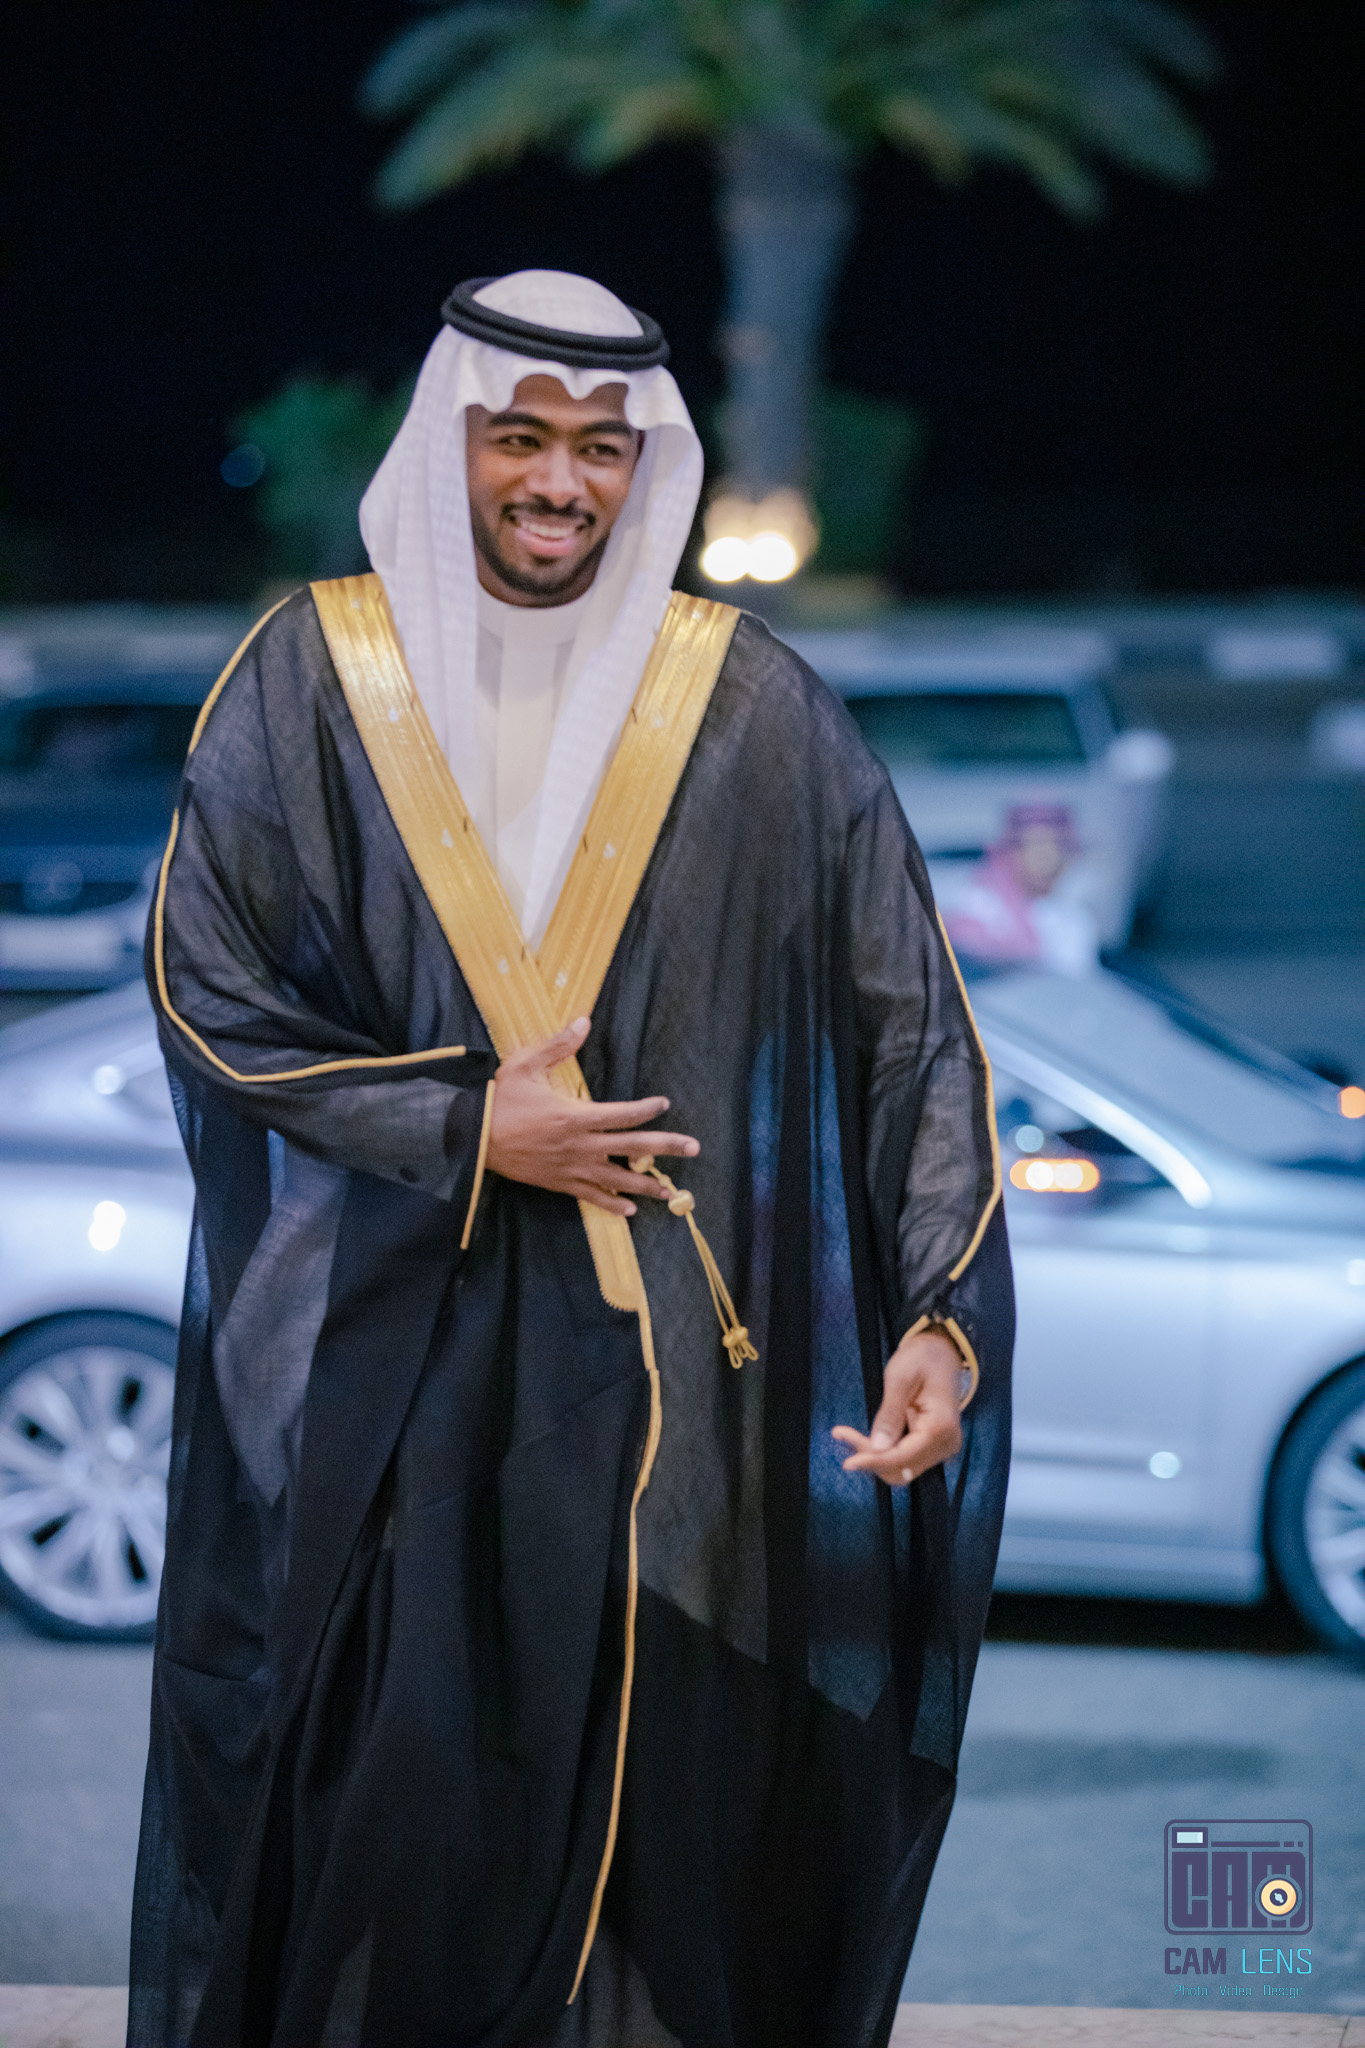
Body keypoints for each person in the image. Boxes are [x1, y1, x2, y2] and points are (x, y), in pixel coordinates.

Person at [129, 271, 1013, 2048]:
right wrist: (472, 1126)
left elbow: (907, 1022)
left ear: (646, 467)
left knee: (658, 1858)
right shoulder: (313, 677)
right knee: (395, 1831)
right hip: (396, 1368)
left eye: (602, 450)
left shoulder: (745, 705)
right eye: (520, 440)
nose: (560, 482)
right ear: (447, 445)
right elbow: (208, 994)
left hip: (675, 1395)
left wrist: (940, 1307)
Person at [941, 801, 1099, 977]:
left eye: (1056, 846)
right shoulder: (979, 902)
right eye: (1035, 845)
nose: (1047, 857)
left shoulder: (1073, 919)